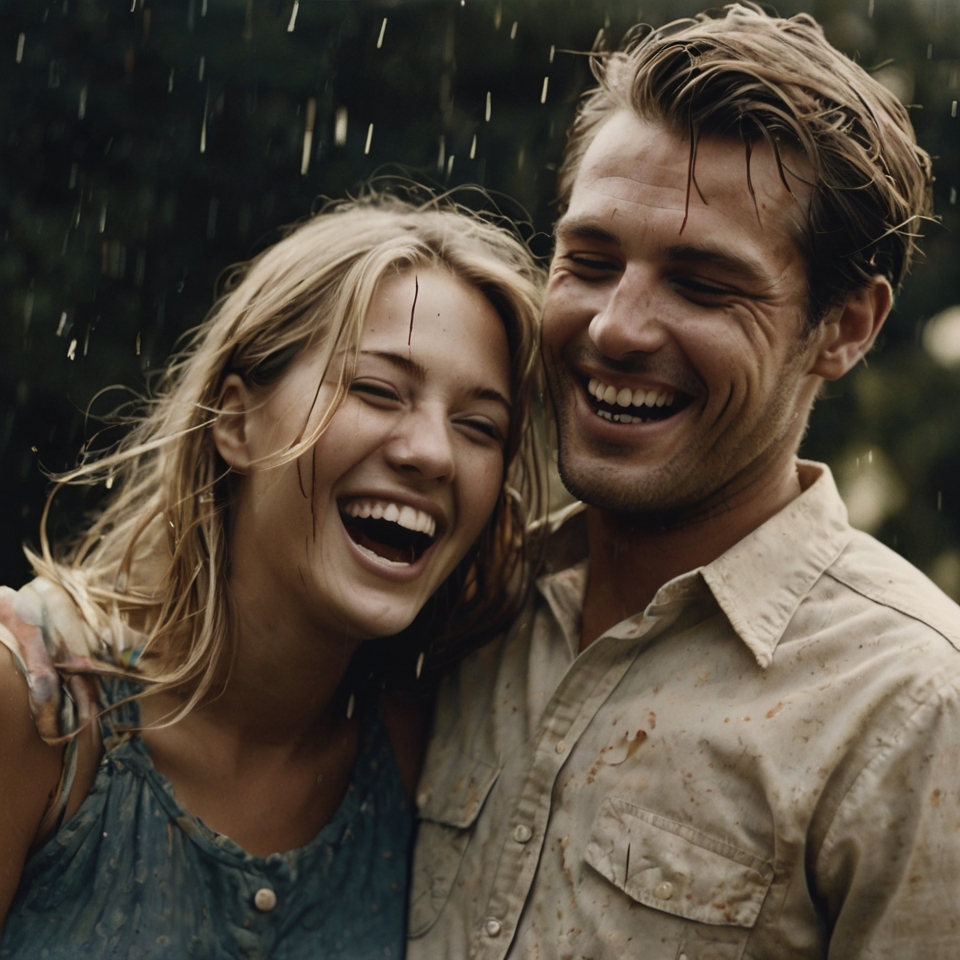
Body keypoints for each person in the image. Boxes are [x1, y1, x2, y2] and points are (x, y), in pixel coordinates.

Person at [408, 6, 960, 959]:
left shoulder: (910, 713)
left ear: (846, 327)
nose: (617, 328)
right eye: (589, 260)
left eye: (703, 285)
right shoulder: (460, 607)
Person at [0, 194, 547, 959]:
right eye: (378, 389)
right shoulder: (35, 701)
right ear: (235, 422)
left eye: (479, 426)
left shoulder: (428, 744)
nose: (433, 453)